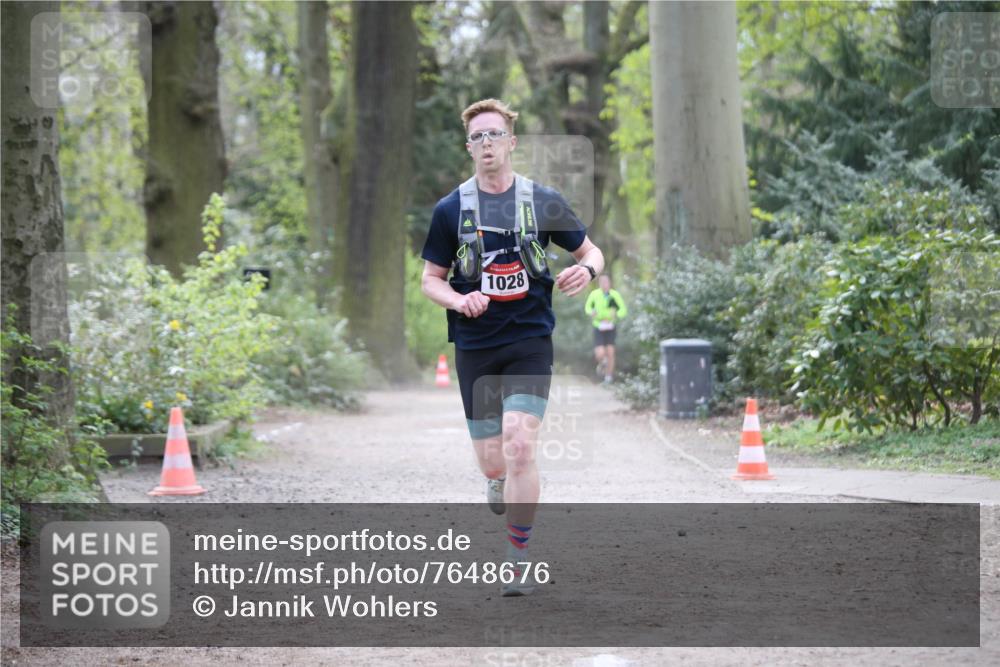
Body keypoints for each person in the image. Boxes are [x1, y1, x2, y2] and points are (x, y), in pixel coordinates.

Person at [420, 99, 604, 596]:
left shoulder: (542, 200)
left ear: (511, 142)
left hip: (529, 340)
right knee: (493, 459)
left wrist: (584, 272)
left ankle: (517, 556)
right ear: (469, 147)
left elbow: (592, 252)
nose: (486, 144)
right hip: (475, 345)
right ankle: (496, 479)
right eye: (477, 137)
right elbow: (429, 280)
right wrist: (459, 300)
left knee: (520, 444)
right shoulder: (450, 209)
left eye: (493, 135)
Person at [584, 274, 627, 383]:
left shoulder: (614, 295)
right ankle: (602, 363)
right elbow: (588, 307)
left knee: (611, 352)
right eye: (602, 282)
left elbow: (623, 310)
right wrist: (591, 312)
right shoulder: (594, 294)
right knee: (600, 353)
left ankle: (608, 377)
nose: (604, 284)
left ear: (609, 283)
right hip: (598, 326)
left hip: (610, 326)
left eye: (606, 282)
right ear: (599, 283)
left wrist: (616, 314)